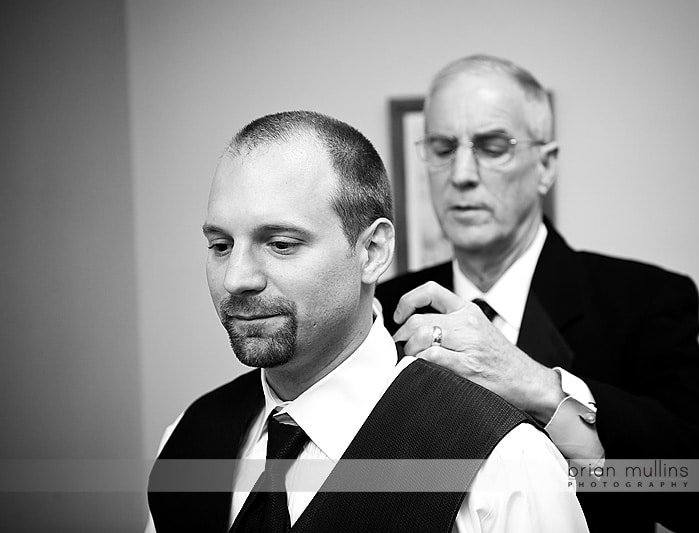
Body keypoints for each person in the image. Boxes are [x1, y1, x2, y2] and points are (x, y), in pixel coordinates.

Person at [376, 54, 699, 533]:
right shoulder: (386, 306)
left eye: (492, 146)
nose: (461, 173)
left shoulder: (640, 300)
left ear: (545, 166)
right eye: (443, 148)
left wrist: (545, 389)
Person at [146, 110, 589, 532]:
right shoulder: (186, 438)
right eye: (220, 245)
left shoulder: (503, 463)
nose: (236, 278)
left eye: (280, 244)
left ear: (372, 252)